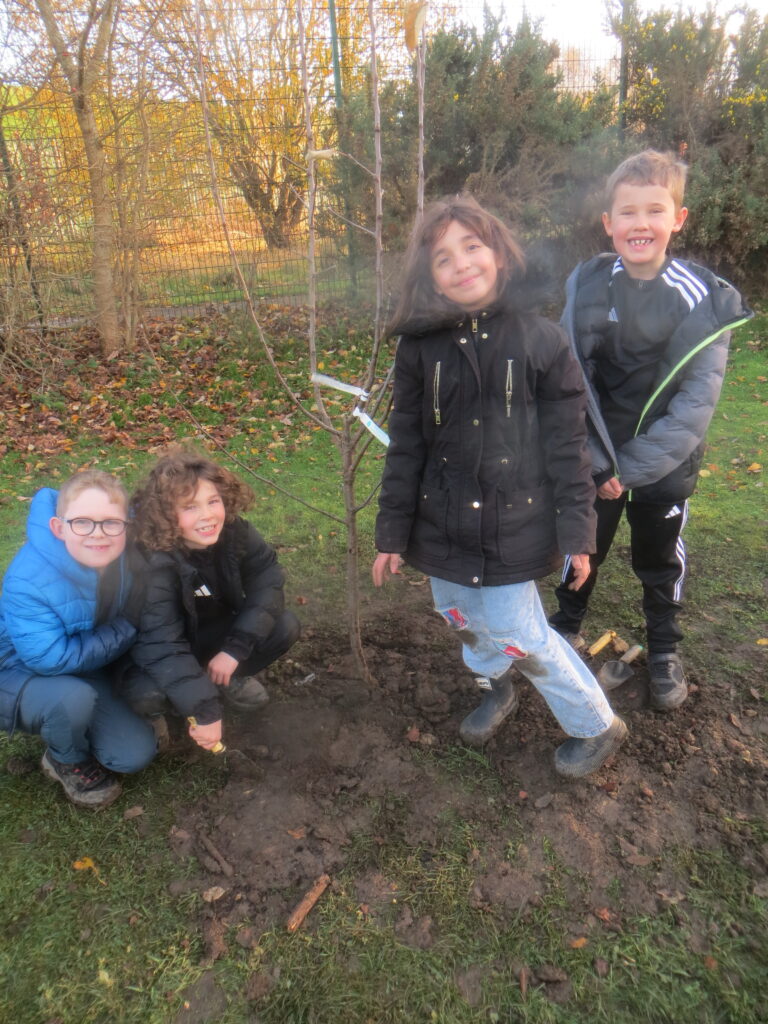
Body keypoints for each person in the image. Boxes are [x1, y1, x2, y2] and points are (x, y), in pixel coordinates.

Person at [372, 194, 627, 778]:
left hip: (516, 522)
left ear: (500, 256)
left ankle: (595, 724)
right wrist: (392, 532)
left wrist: (577, 534)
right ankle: (497, 687)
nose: (461, 264)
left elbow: (568, 447)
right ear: (429, 276)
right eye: (442, 257)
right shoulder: (419, 348)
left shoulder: (542, 341)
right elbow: (406, 444)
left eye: (472, 246)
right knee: (459, 614)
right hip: (441, 524)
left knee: (522, 633)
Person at [549, 150, 752, 710]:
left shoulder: (704, 299)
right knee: (581, 546)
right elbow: (571, 378)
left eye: (655, 210)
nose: (641, 224)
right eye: (628, 212)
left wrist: (628, 471)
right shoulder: (589, 284)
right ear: (608, 223)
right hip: (596, 462)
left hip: (662, 467)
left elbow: (693, 407)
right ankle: (563, 628)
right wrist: (596, 463)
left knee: (660, 560)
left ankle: (663, 649)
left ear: (677, 221)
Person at [121, 449, 300, 753]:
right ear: (165, 516)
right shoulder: (153, 562)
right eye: (190, 507)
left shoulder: (235, 532)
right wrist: (205, 711)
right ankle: (161, 713)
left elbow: (267, 578)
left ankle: (226, 679)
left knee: (283, 626)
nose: (207, 516)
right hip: (158, 651)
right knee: (147, 693)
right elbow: (162, 644)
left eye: (213, 501)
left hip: (209, 634)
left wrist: (235, 649)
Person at [0, 470, 156, 809]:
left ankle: (92, 716)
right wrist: (127, 627)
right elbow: (50, 659)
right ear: (58, 527)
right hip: (21, 670)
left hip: (87, 658)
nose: (97, 534)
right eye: (82, 522)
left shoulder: (127, 558)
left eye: (110, 523)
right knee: (71, 699)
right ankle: (64, 758)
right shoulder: (27, 580)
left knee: (132, 754)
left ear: (127, 525)